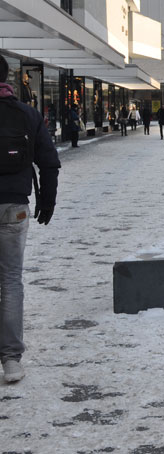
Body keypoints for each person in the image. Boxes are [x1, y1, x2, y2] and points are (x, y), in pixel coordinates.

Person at [0, 56, 60, 383]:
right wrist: (46, 201)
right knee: (10, 280)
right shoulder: (27, 115)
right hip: (14, 205)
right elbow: (49, 163)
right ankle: (10, 361)